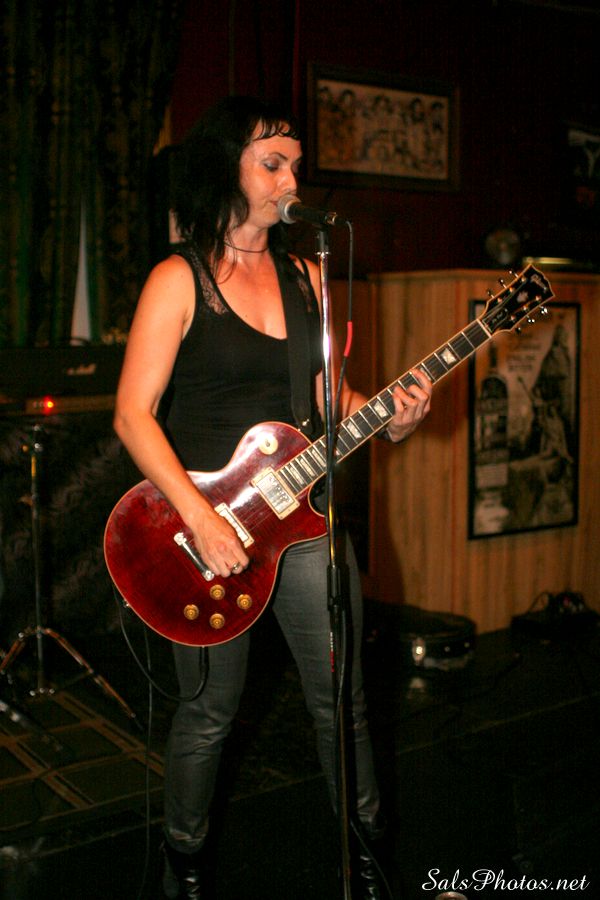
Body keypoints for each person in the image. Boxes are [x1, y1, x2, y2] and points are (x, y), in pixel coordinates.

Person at [113, 95, 432, 899]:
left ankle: (366, 861)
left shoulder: (308, 276)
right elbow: (132, 415)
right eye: (273, 163)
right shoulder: (177, 278)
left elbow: (332, 403)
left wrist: (392, 419)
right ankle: (184, 868)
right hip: (202, 527)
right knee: (210, 714)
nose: (292, 180)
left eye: (295, 165)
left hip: (304, 520)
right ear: (228, 168)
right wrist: (201, 519)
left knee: (342, 704)